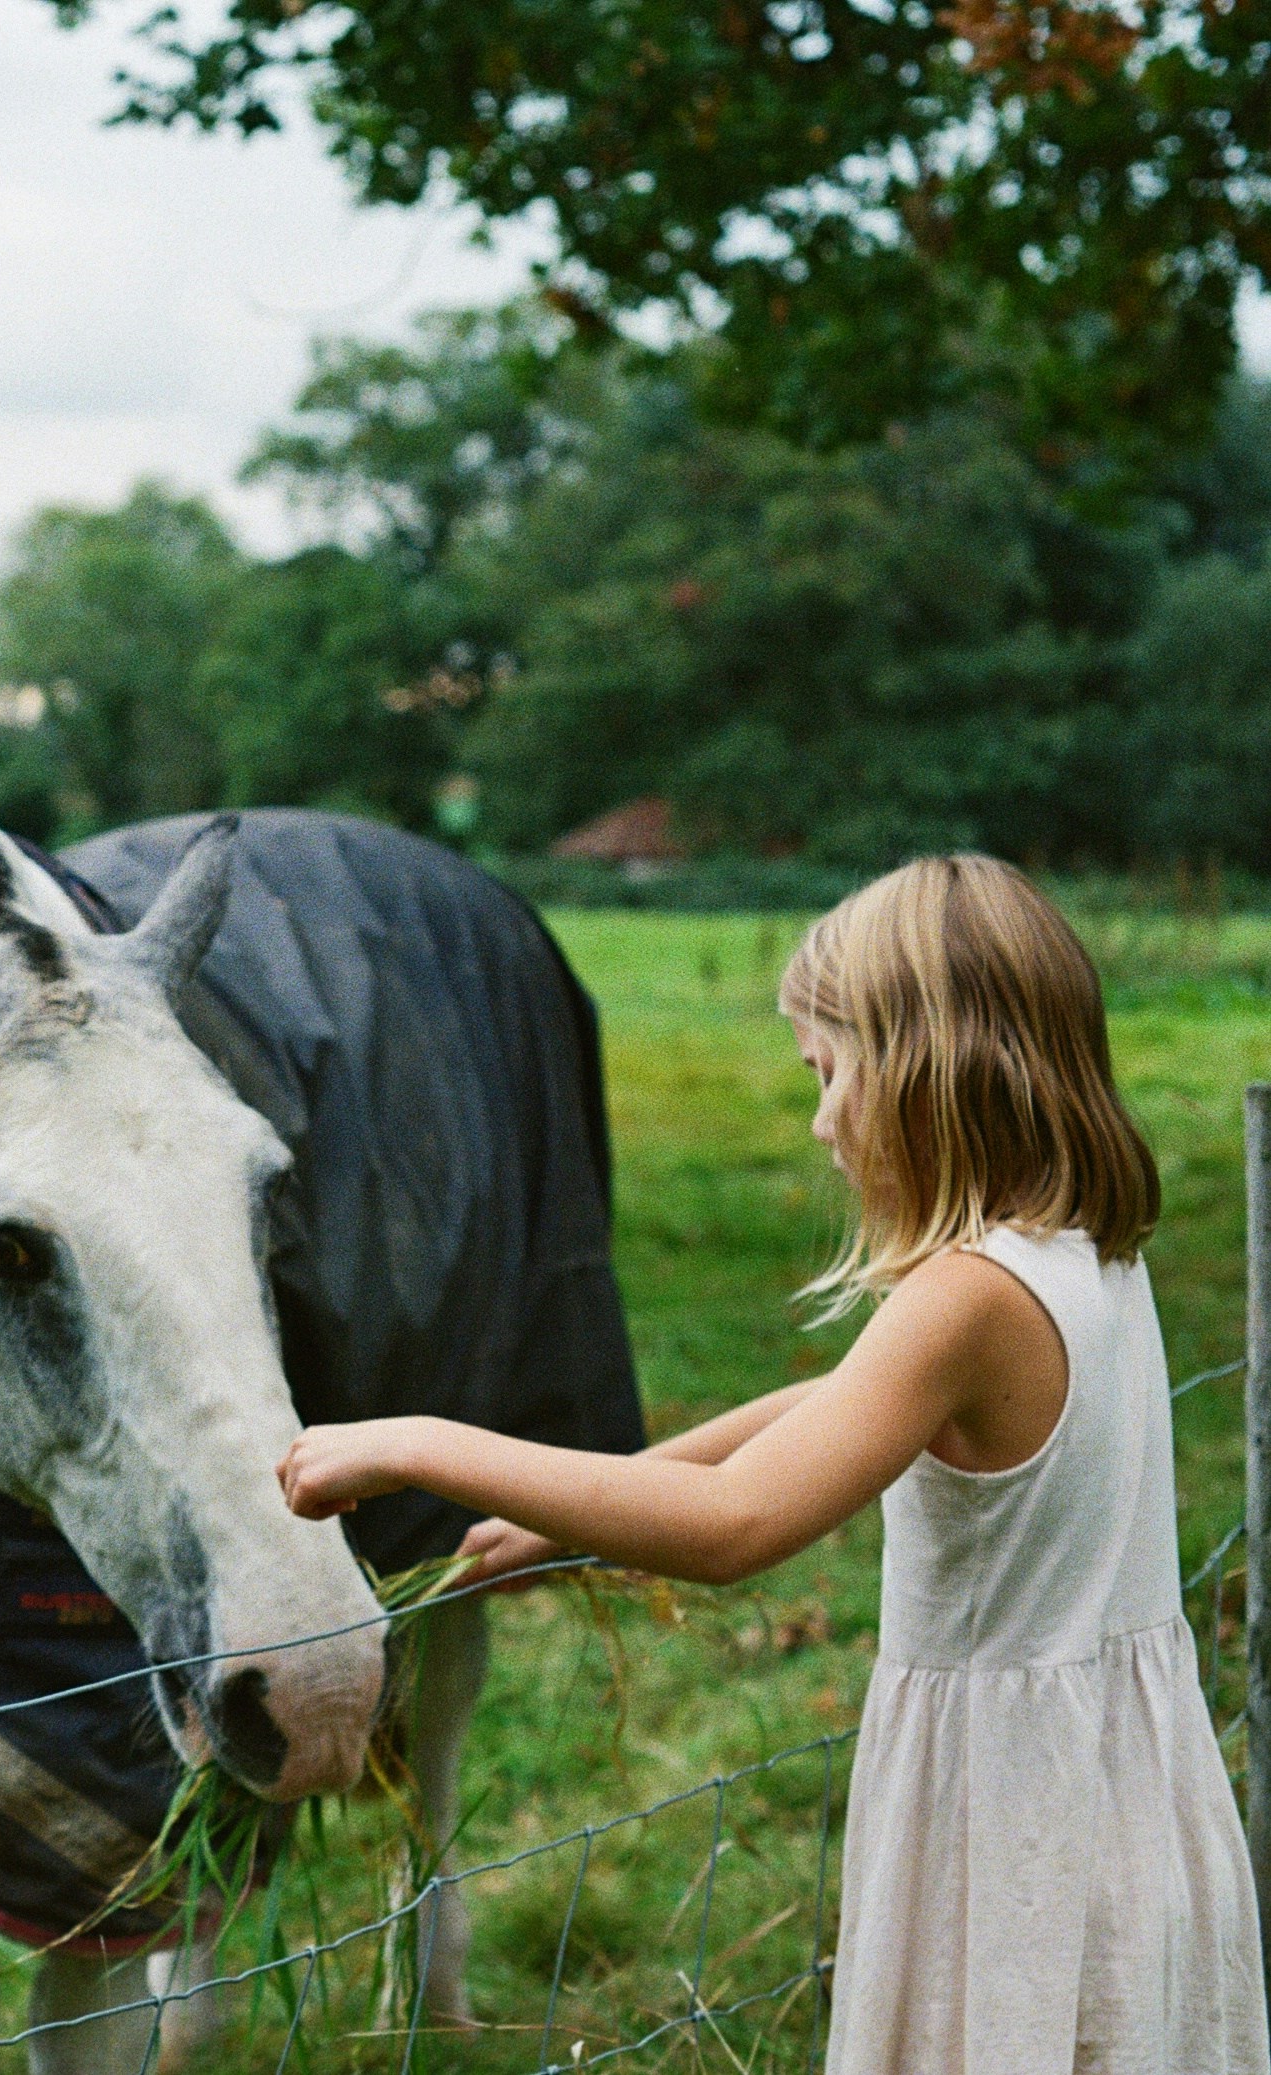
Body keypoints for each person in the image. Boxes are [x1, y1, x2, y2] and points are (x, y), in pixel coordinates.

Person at [277, 854, 1268, 2072]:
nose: (816, 1119)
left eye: (826, 1071)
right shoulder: (1080, 1250)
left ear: (919, 1068)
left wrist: (420, 1442)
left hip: (1011, 1834)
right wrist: (577, 1510)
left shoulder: (961, 1298)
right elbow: (841, 1405)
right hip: (1123, 1797)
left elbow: (733, 1524)